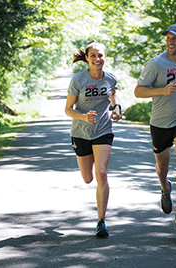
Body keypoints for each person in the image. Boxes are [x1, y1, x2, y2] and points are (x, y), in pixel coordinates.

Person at [134, 24, 176, 231]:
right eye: (168, 38)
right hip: (160, 122)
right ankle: (165, 188)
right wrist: (162, 91)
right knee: (162, 167)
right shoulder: (156, 64)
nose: (170, 41)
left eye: (175, 38)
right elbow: (138, 91)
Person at [65, 40, 122, 238]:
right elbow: (67, 110)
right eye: (93, 56)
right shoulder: (78, 80)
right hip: (81, 133)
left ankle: (101, 221)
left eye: (101, 55)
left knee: (102, 173)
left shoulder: (111, 79)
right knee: (88, 178)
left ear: (105, 57)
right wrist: (83, 117)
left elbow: (113, 97)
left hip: (104, 130)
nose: (97, 59)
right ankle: (100, 218)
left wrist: (117, 109)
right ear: (87, 59)